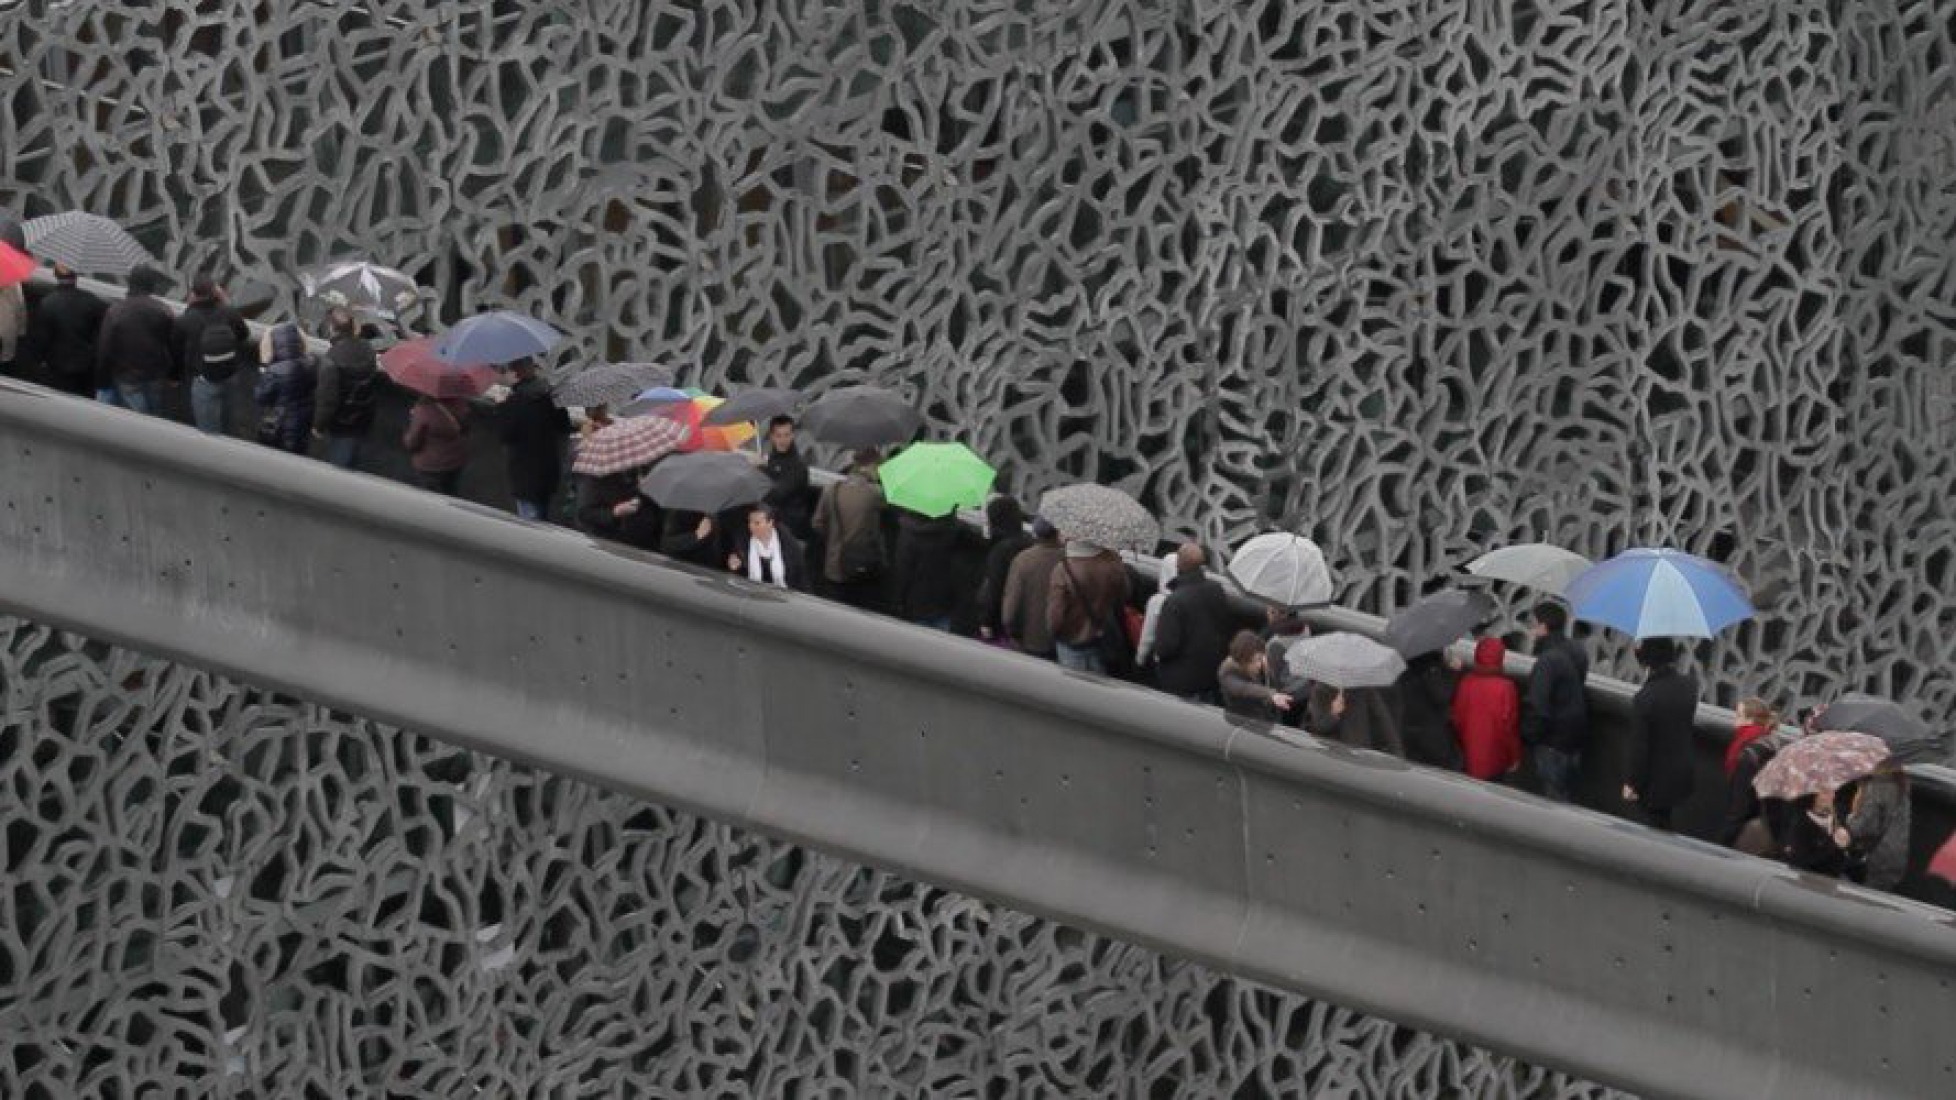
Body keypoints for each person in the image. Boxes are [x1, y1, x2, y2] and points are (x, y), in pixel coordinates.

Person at [1151, 544, 1256, 702]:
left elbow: (1165, 647)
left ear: (1178, 564)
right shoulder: (1216, 590)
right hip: (1209, 677)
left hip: (1180, 683)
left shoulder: (1174, 601)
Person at [1622, 637, 1698, 832]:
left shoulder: (1646, 698)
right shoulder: (1689, 687)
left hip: (1652, 781)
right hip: (1680, 773)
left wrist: (1632, 782)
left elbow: (1639, 746)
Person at [1521, 602, 1590, 803]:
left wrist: (1528, 736)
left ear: (1543, 627)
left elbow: (1538, 704)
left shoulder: (1547, 661)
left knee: (1553, 801)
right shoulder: (1577, 651)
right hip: (1574, 738)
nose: (1530, 630)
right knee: (1566, 796)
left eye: (1533, 624)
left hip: (1552, 741)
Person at [173, 273, 253, 435]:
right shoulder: (229, 313)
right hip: (230, 374)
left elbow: (176, 349)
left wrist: (174, 376)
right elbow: (244, 335)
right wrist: (226, 302)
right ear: (215, 292)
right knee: (229, 424)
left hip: (203, 379)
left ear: (193, 294)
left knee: (208, 431)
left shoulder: (185, 320)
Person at [812, 448, 887, 611]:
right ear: (870, 467)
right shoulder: (874, 493)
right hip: (861, 567)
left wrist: (834, 540)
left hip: (834, 566)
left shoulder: (831, 490)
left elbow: (817, 524)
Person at [96, 264, 177, 414]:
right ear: (151, 285)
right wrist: (173, 374)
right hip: (155, 375)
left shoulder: (115, 311)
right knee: (155, 415)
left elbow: (105, 347)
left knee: (138, 418)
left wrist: (103, 378)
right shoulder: (164, 311)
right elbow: (173, 344)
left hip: (127, 376)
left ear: (130, 283)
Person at [20, 262, 108, 398]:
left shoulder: (47, 304)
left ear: (55, 274)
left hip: (57, 371)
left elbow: (40, 343)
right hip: (85, 372)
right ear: (76, 276)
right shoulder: (93, 302)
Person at [500, 358, 571, 521]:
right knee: (542, 517)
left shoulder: (516, 401)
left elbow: (506, 434)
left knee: (529, 524)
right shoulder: (551, 397)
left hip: (524, 474)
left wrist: (503, 408)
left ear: (516, 373)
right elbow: (564, 426)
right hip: (548, 471)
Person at [1046, 538, 1130, 674]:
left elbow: (1056, 613)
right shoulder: (1112, 564)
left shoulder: (1064, 569)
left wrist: (1053, 632)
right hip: (1101, 640)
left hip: (1071, 641)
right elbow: (1124, 595)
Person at [311, 309, 382, 470]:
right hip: (364, 416)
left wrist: (318, 425)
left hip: (341, 422)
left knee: (339, 465)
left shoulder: (332, 358)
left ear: (332, 329)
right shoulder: (368, 349)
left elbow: (328, 399)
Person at [1450, 637, 1521, 781]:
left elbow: (1457, 718)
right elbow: (1508, 727)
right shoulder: (1506, 687)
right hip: (1495, 757)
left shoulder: (1466, 682)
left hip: (1467, 754)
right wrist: (1514, 756)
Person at [1833, 762, 1911, 892]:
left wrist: (1847, 823)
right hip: (1893, 856)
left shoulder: (1878, 786)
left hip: (1875, 859)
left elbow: (1866, 824)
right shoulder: (1899, 785)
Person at [1000, 518, 1063, 660]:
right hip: (1060, 643)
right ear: (1057, 532)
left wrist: (1011, 631)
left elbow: (1010, 611)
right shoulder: (1068, 560)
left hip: (1028, 640)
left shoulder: (1023, 560)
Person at [892, 510, 964, 630]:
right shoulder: (954, 533)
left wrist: (897, 601)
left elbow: (902, 570)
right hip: (945, 601)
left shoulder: (908, 534)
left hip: (914, 602)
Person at [252, 323, 316, 455]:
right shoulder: (310, 364)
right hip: (301, 425)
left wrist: (264, 366)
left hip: (279, 426)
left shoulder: (276, 370)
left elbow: (261, 396)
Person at [976, 496, 1032, 645]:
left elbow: (994, 587)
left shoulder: (1001, 549)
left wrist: (985, 621)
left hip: (998, 622)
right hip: (1023, 621)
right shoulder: (1029, 544)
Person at [1397, 651, 1464, 771]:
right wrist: (1453, 673)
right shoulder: (1430, 669)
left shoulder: (1408, 666)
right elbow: (1442, 695)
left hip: (1410, 725)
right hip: (1429, 729)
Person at [727, 503, 809, 592]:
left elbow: (799, 575)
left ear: (770, 523)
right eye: (749, 522)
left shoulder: (788, 543)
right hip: (752, 593)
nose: (751, 526)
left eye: (757, 523)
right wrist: (735, 567)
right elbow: (738, 575)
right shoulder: (742, 541)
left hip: (783, 596)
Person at [402, 390, 471, 494]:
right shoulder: (461, 403)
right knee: (450, 490)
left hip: (431, 465)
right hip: (456, 460)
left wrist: (407, 431)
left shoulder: (423, 410)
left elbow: (412, 443)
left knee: (431, 496)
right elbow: (466, 428)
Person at [1308, 683, 1405, 756]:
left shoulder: (1363, 688)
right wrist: (1333, 713)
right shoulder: (1320, 691)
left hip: (1360, 753)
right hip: (1333, 754)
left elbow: (1384, 719)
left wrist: (1397, 750)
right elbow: (1319, 727)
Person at [1218, 630, 1294, 721]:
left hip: (1266, 712)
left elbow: (1275, 684)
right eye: (1252, 661)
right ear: (1242, 660)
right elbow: (1244, 688)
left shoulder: (1262, 664)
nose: (1258, 665)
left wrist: (1268, 671)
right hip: (1244, 717)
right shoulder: (1227, 671)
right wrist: (1271, 694)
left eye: (1259, 659)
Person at [760, 416, 816, 540]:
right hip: (772, 521)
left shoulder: (798, 466)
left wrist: (760, 471)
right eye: (778, 435)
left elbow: (777, 495)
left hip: (790, 528)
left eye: (786, 435)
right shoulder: (771, 458)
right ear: (772, 437)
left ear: (792, 435)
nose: (783, 440)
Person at [1132, 552, 1179, 669]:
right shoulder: (1189, 597)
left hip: (1160, 660)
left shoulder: (1157, 601)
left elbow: (1147, 637)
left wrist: (1139, 660)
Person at [1725, 698, 1777, 776]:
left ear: (1751, 720)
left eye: (1739, 715)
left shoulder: (1749, 745)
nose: (1734, 718)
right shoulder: (1762, 739)